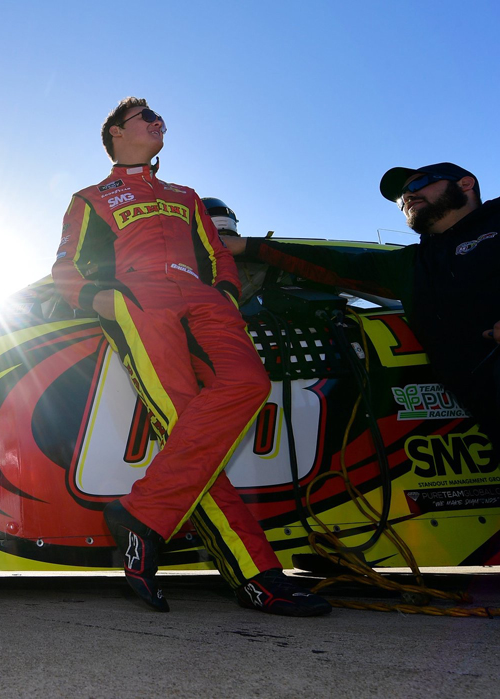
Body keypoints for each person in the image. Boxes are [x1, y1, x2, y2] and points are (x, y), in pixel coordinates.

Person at [52, 97, 330, 616]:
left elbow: (217, 252)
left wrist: (224, 294)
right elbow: (66, 265)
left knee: (247, 385)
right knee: (184, 426)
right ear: (115, 132)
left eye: (160, 117)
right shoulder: (89, 197)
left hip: (203, 302)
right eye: (145, 118)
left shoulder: (186, 194)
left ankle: (141, 514)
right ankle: (259, 576)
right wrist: (102, 300)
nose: (159, 122)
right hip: (140, 303)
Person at [221, 163, 500, 444]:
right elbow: (334, 265)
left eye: (418, 184)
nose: (407, 198)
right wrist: (247, 247)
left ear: (465, 184)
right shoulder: (412, 264)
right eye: (401, 199)